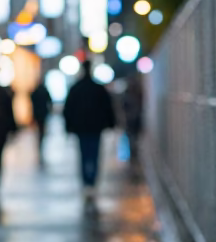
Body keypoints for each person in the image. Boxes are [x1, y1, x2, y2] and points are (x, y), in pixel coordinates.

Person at [63, 61, 116, 197]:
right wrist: (111, 123)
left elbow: (68, 109)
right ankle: (91, 181)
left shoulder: (76, 88)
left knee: (84, 154)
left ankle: (86, 182)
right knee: (94, 154)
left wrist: (68, 127)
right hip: (95, 127)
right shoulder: (98, 88)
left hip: (81, 128)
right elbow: (108, 107)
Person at [120, 75, 144, 167]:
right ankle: (134, 153)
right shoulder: (137, 94)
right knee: (133, 138)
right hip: (133, 120)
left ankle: (134, 153)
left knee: (132, 138)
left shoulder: (128, 95)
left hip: (131, 121)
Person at [29, 77, 52, 163]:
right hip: (42, 114)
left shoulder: (37, 91)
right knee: (41, 129)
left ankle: (40, 141)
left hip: (38, 114)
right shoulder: (44, 91)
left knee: (40, 129)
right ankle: (40, 139)